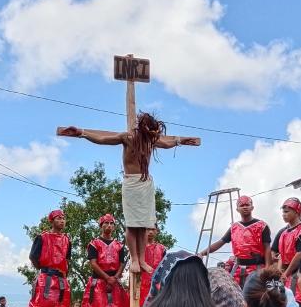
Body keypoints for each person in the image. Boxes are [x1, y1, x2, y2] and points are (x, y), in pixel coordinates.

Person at [60, 113, 198, 274]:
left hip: (146, 183)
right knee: (132, 225)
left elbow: (166, 143)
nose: (154, 134)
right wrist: (82, 133)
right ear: (143, 127)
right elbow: (103, 139)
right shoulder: (128, 138)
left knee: (144, 225)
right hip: (131, 182)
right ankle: (134, 259)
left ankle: (141, 260)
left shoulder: (150, 141)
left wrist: (180, 141)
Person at [198, 195, 272, 286]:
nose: (245, 207)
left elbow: (267, 248)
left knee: (257, 296)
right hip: (238, 269)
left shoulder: (262, 226)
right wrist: (202, 253)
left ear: (252, 207)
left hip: (257, 268)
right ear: (237, 209)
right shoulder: (234, 228)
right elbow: (221, 242)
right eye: (241, 205)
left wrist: (268, 269)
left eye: (247, 205)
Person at [81, 214, 128, 307]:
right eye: (106, 223)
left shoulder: (119, 245)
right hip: (99, 281)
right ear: (101, 226)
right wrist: (107, 278)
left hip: (114, 281)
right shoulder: (94, 243)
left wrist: (115, 277)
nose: (109, 225)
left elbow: (122, 263)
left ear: (114, 226)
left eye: (111, 223)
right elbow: (93, 263)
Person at [27, 209, 71, 307]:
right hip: (45, 276)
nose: (62, 221)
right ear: (51, 221)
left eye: (63, 218)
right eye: (58, 218)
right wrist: (42, 268)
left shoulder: (66, 240)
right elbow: (33, 256)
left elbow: (67, 259)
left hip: (60, 277)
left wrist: (65, 273)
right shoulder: (42, 237)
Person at [272, 198, 301, 307]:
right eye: (283, 212)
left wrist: (286, 273)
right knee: (283, 303)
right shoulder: (283, 232)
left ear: (296, 212)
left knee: (298, 303)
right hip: (287, 273)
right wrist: (279, 272)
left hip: (299, 273)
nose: (283, 215)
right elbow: (281, 255)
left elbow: (300, 254)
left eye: (287, 212)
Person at [139, 227, 167, 306]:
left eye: (153, 229)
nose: (150, 232)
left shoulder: (162, 248)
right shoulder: (138, 247)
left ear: (157, 231)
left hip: (157, 285)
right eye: (148, 229)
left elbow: (165, 268)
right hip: (141, 285)